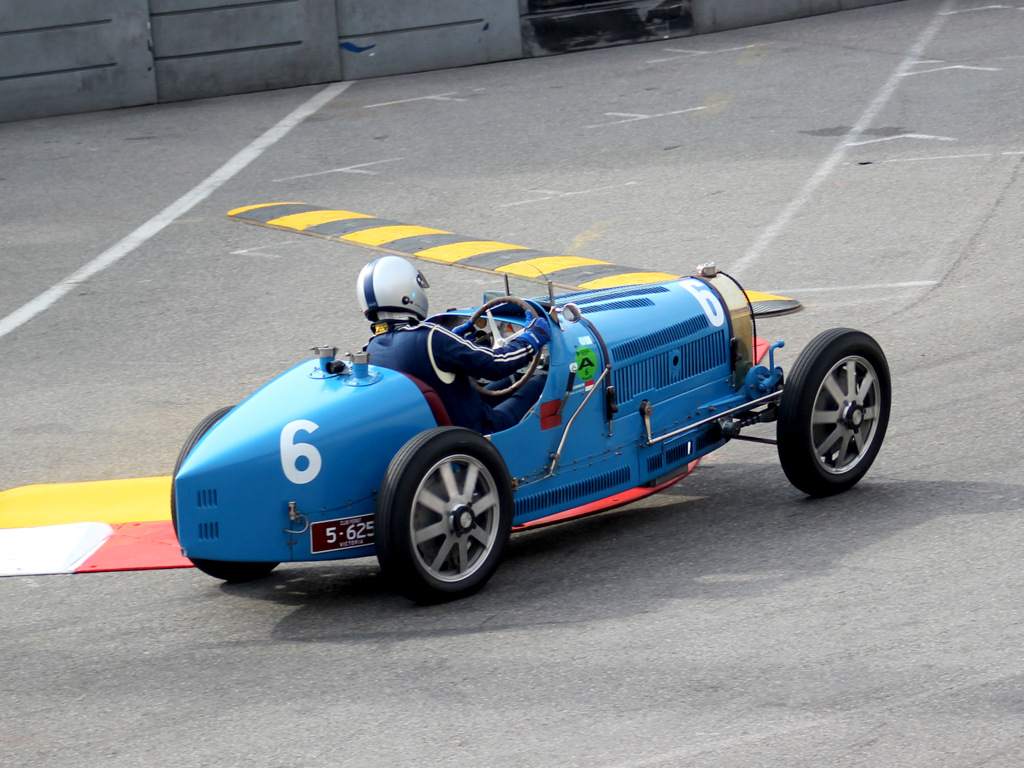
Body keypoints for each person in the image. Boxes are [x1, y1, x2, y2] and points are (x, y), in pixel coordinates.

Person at [357, 256, 550, 433]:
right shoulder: (431, 337)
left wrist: (455, 344)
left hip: (438, 431)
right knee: (543, 382)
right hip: (477, 432)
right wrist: (531, 338)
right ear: (406, 292)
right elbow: (497, 363)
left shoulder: (371, 350)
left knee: (516, 378)